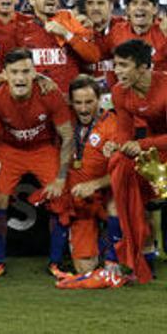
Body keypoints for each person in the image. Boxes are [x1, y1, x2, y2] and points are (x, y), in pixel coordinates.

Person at [0, 48, 74, 279]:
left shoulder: (50, 93)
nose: (21, 78)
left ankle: (56, 262)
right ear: (5, 74)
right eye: (15, 72)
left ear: (34, 73)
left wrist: (62, 177)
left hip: (43, 149)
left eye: (25, 71)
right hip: (9, 150)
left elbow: (68, 135)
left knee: (61, 198)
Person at [48, 75, 122, 285]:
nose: (83, 108)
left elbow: (123, 172)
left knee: (119, 204)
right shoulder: (65, 122)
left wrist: (95, 184)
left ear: (100, 100)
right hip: (81, 205)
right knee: (84, 268)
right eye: (78, 102)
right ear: (71, 102)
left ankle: (112, 258)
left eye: (89, 102)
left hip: (106, 195)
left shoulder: (114, 125)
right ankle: (100, 242)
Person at [107, 39, 165, 284]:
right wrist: (118, 145)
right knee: (121, 167)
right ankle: (137, 260)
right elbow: (123, 131)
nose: (117, 71)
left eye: (123, 65)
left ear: (143, 67)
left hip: (155, 147)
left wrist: (139, 145)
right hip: (157, 150)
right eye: (115, 65)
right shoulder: (120, 91)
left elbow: (138, 142)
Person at [13, 0, 100, 92]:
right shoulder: (22, 28)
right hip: (38, 98)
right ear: (32, 1)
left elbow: (93, 56)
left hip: (68, 99)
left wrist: (66, 33)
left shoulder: (70, 22)